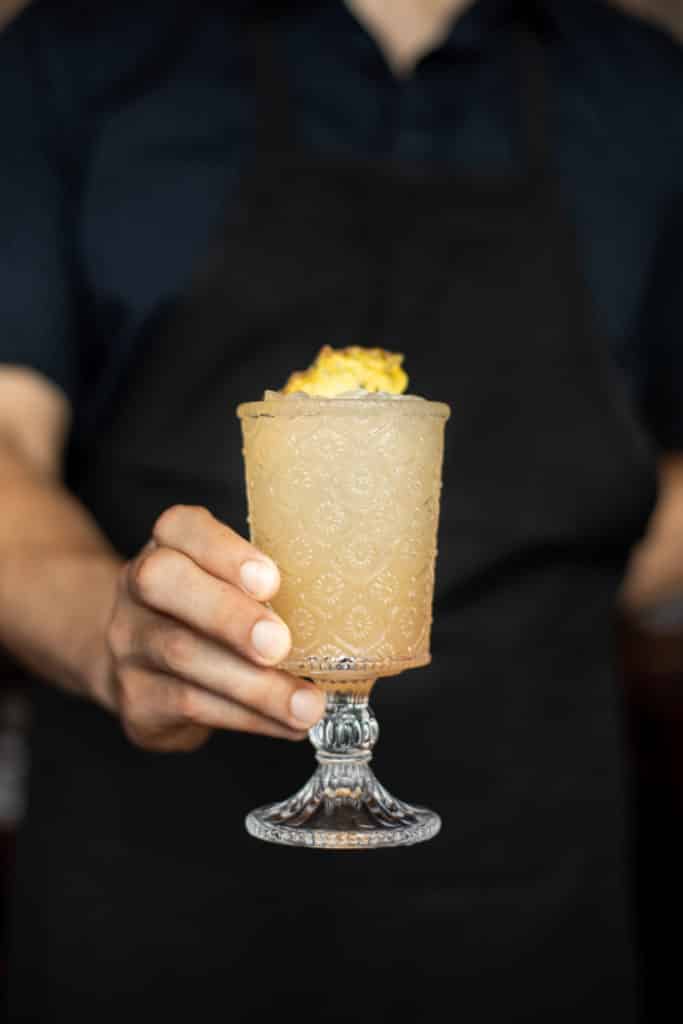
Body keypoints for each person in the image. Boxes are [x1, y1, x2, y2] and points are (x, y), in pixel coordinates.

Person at [0, 0, 682, 1020]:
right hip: (143, 905)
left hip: (535, 896)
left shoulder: (646, 92)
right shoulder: (76, 52)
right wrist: (112, 633)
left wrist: (561, 586)